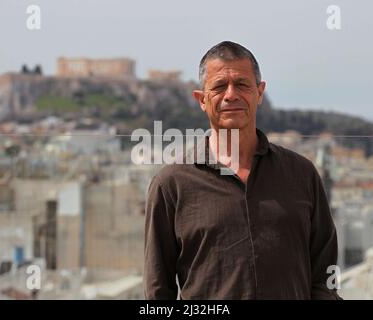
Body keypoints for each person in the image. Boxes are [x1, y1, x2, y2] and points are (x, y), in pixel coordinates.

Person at [144, 41, 341, 300]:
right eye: (219, 87)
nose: (231, 95)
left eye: (242, 84)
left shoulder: (301, 174)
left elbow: (325, 275)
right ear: (201, 100)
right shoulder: (171, 185)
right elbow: (158, 291)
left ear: (259, 93)